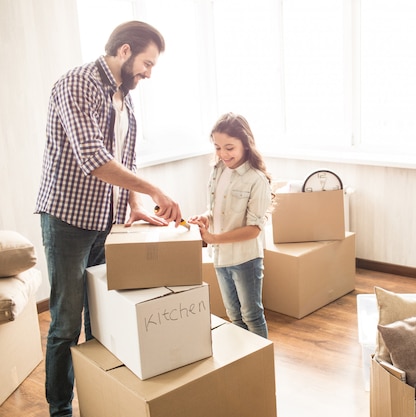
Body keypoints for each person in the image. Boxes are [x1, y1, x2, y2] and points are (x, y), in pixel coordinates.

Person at [35, 21, 184, 417]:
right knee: (66, 323)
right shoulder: (78, 84)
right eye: (147, 63)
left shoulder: (124, 96)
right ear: (124, 50)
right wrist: (155, 190)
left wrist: (134, 204)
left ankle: (102, 395)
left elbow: (124, 159)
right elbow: (94, 159)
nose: (149, 73)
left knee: (101, 314)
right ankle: (60, 409)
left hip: (107, 221)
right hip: (67, 220)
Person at [189, 112, 273, 339]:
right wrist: (205, 218)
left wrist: (213, 239)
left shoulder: (257, 179)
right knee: (233, 315)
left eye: (229, 147)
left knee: (251, 315)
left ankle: (260, 365)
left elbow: (254, 229)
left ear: (245, 144)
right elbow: (218, 211)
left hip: (246, 260)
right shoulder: (217, 170)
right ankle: (243, 361)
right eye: (217, 147)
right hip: (220, 258)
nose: (223, 154)